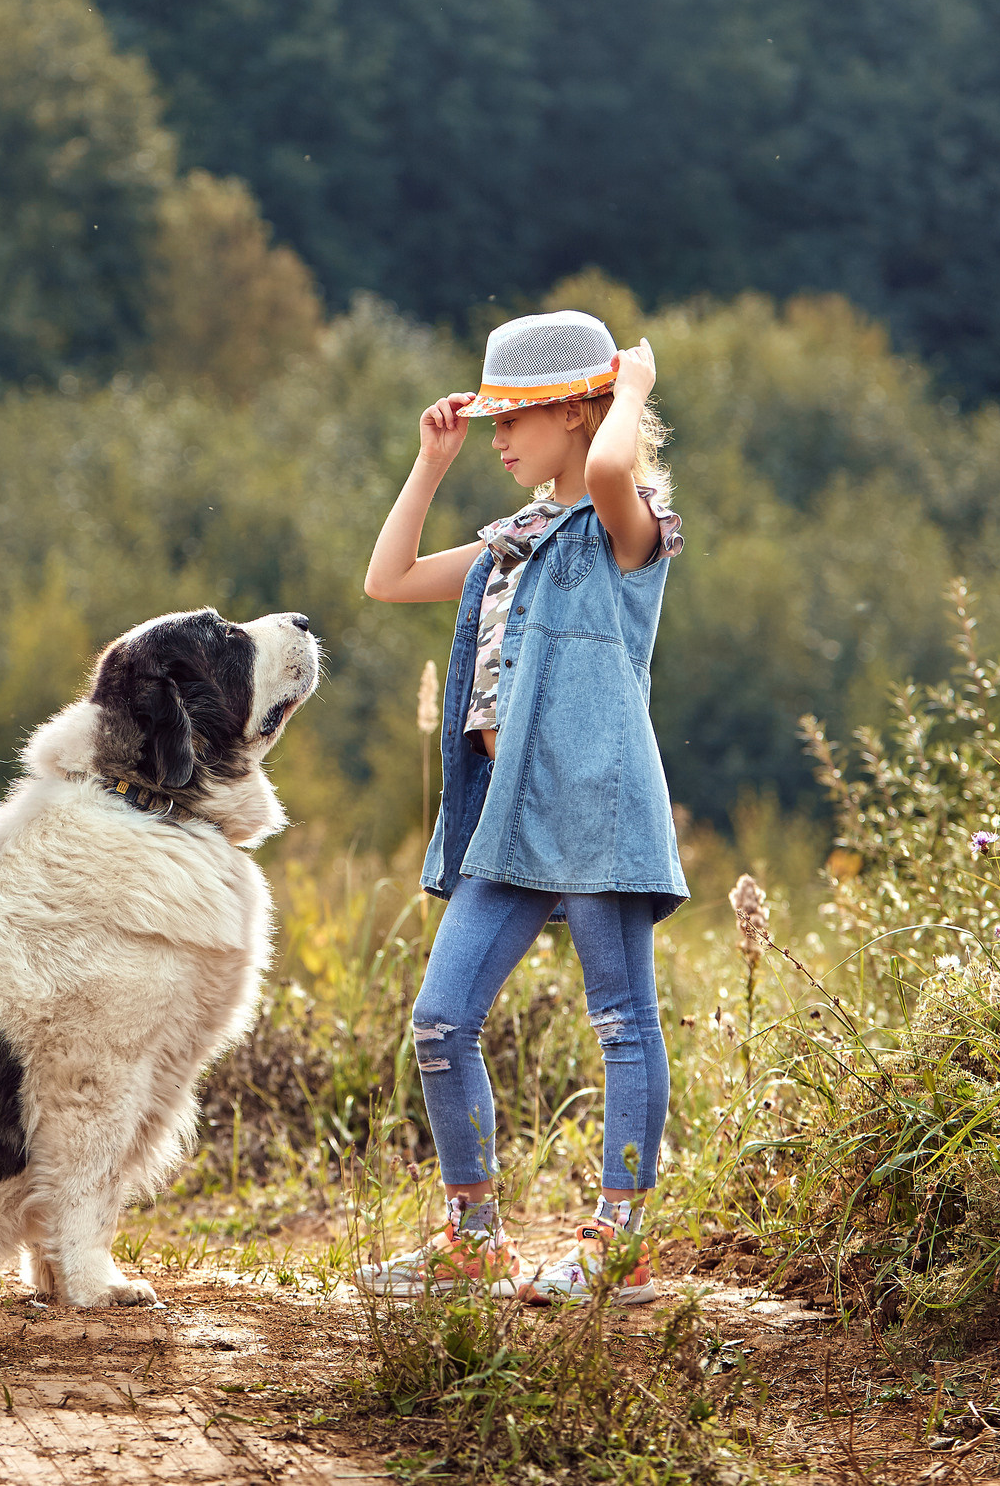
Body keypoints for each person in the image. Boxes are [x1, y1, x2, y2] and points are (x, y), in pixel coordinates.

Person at [356, 309, 688, 1306]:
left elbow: (606, 476)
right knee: (440, 1020)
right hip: (509, 818)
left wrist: (631, 388)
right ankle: (473, 1239)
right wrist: (432, 461)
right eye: (491, 418)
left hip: (595, 807)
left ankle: (616, 1245)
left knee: (623, 1021)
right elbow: (389, 579)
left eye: (517, 417)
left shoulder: (625, 530)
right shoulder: (515, 542)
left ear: (580, 413)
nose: (497, 436)